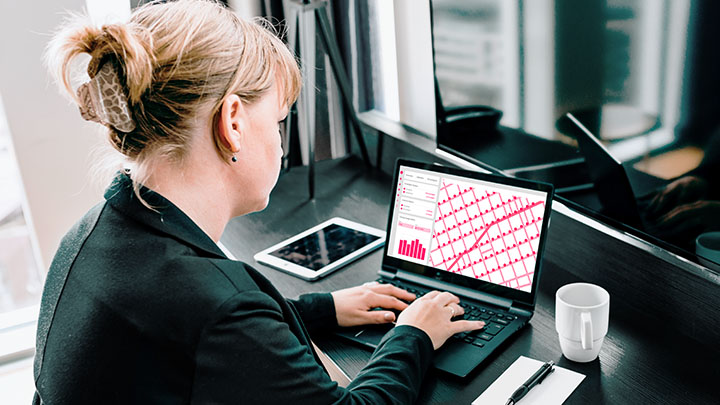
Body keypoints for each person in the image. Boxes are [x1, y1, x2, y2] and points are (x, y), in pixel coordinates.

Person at [33, 1, 485, 403]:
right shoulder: (216, 306)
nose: (282, 141)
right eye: (278, 119)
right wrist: (413, 335)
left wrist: (321, 309)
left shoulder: (90, 235)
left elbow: (196, 338)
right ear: (233, 123)